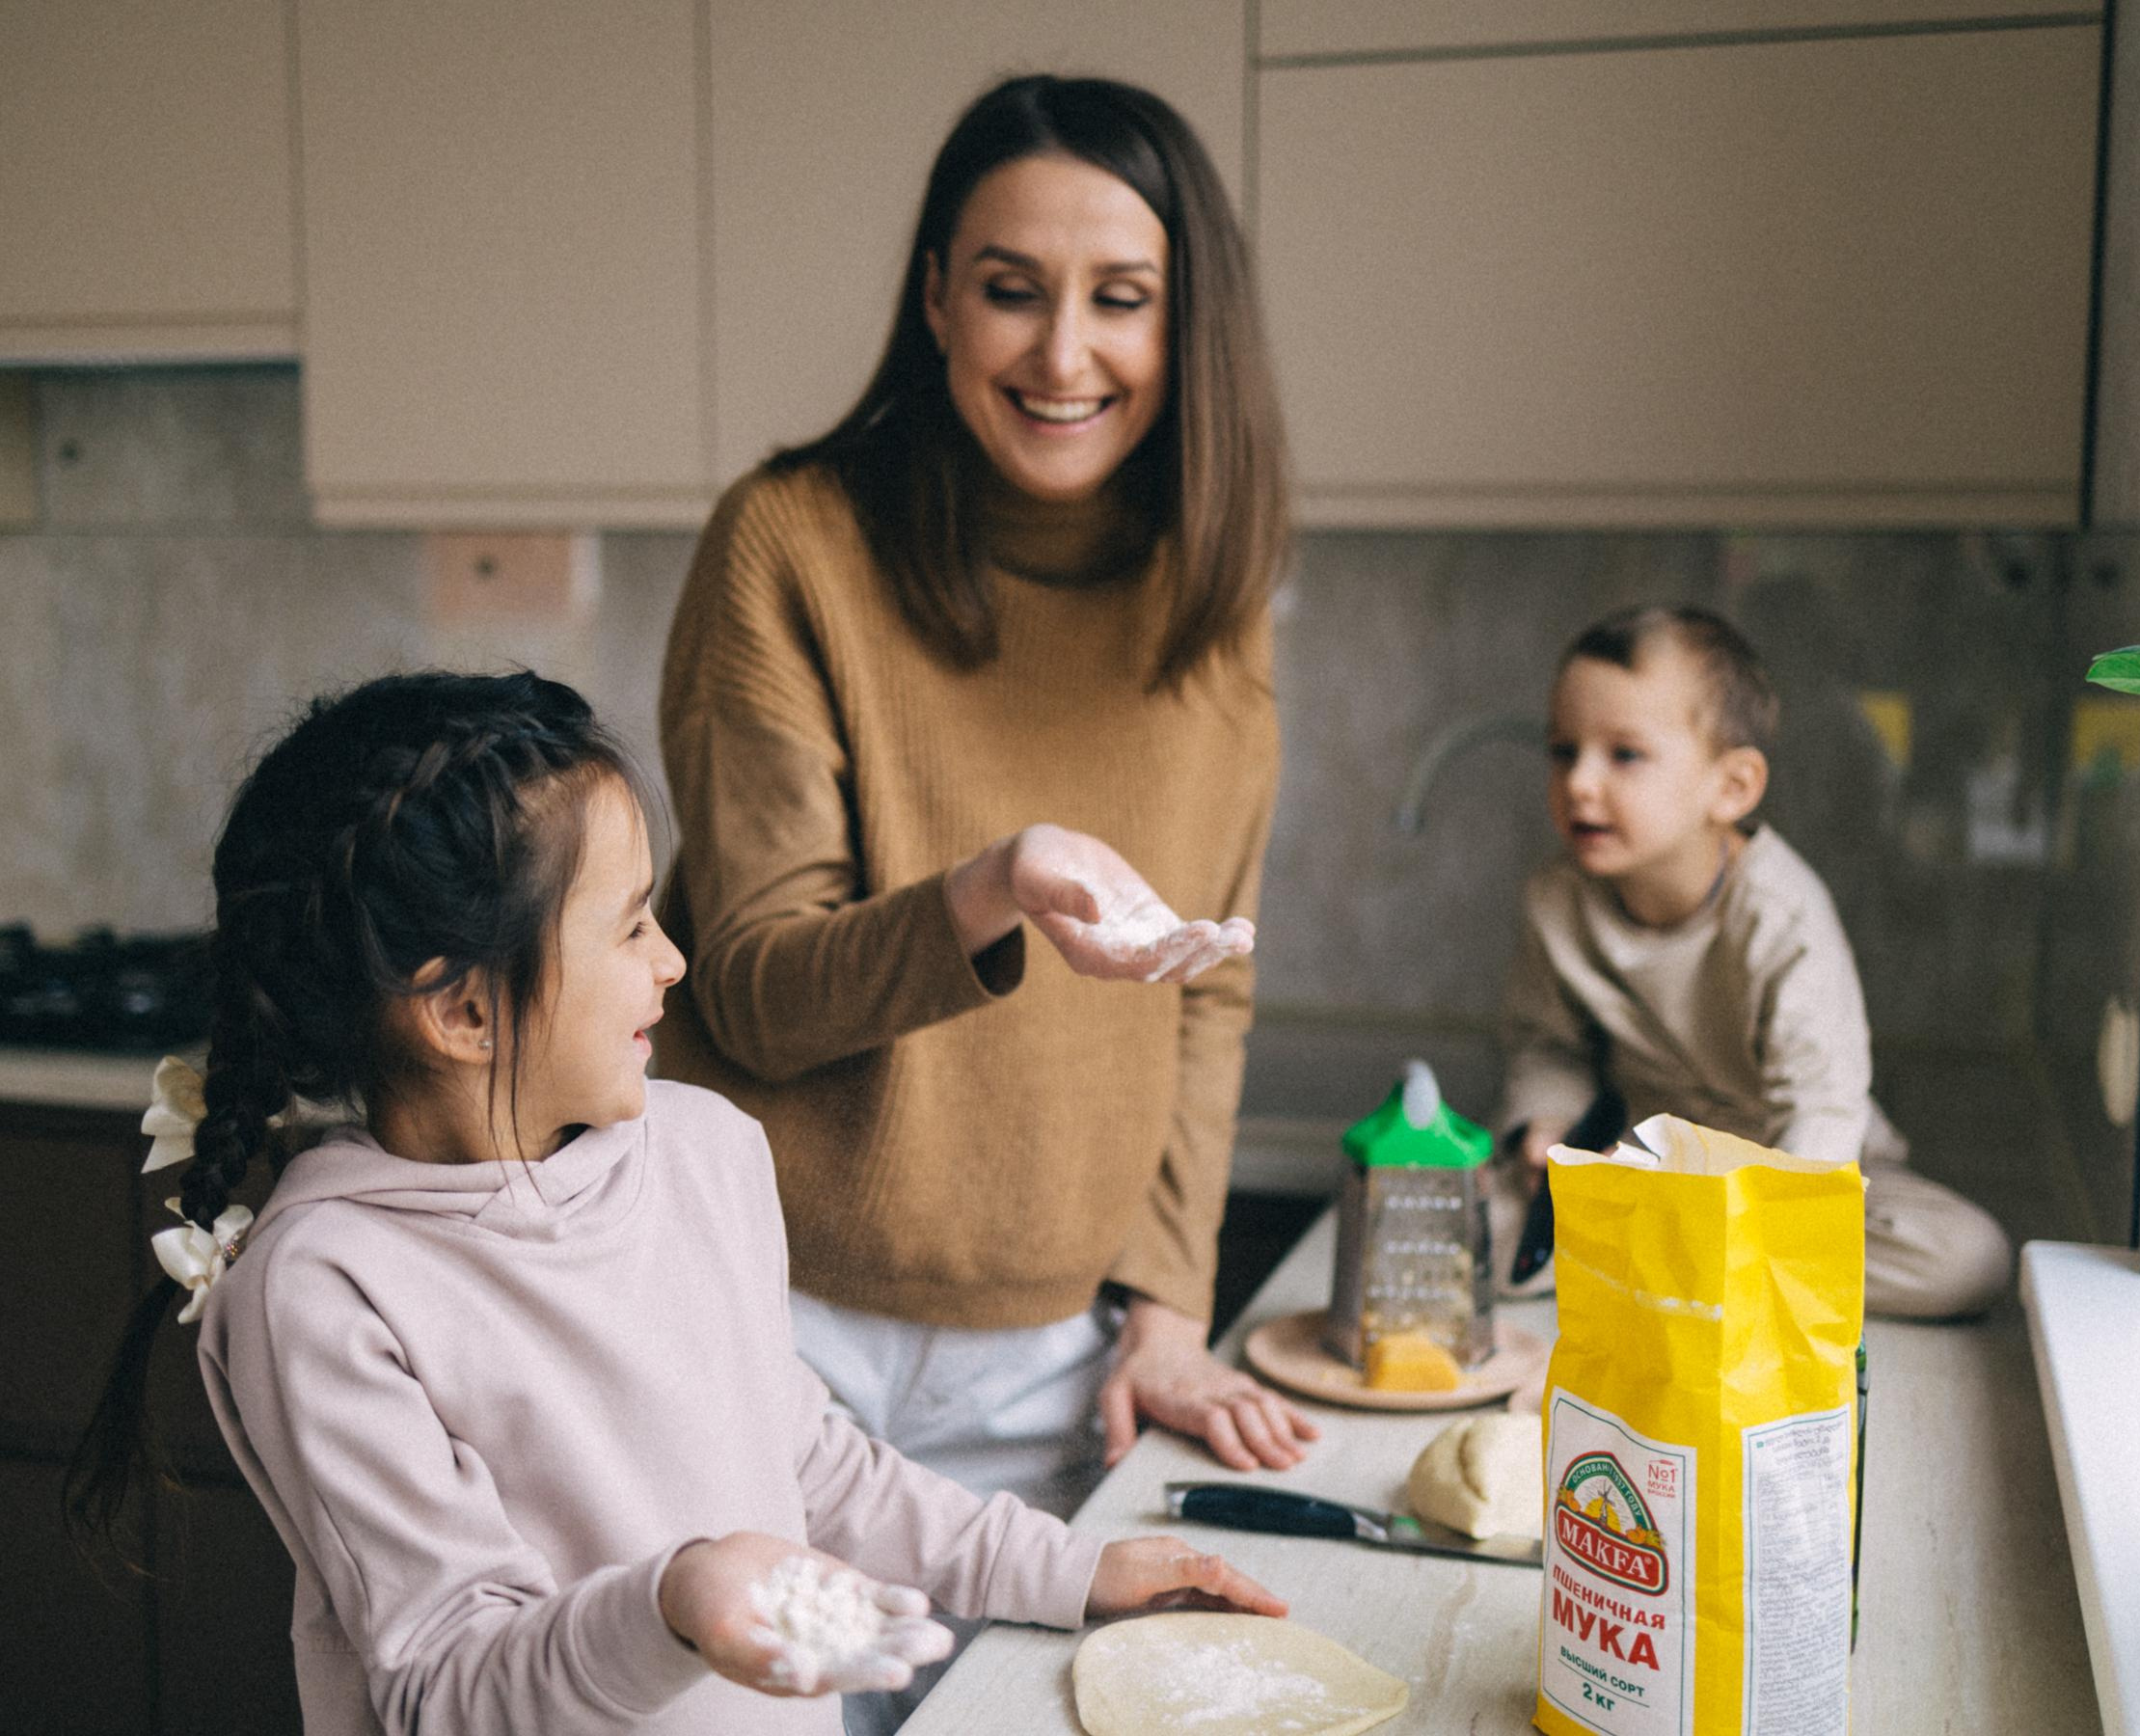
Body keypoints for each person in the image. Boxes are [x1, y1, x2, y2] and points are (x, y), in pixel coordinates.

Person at [66, 671, 1284, 1736]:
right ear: (464, 1012)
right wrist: (675, 1604)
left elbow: (815, 1464)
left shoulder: (705, 1150)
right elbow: (448, 1687)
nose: (674, 962)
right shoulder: (326, 1289)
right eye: (632, 924)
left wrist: (1077, 1573)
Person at [655, 70, 1316, 1537]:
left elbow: (1210, 993)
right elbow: (755, 991)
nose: (1064, 351)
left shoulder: (1215, 605)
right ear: (938, 298)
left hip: (1051, 1357)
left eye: (1122, 297)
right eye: (1013, 289)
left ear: (1185, 320)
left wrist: (1169, 1301)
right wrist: (985, 890)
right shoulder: (789, 543)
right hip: (767, 1316)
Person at [1489, 607, 2013, 1319]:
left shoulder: (1781, 915)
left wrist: (1767, 1220)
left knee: (1967, 1259)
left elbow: (1820, 1108)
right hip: (1645, 1167)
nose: (1580, 782)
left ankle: (1677, 1270)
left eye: (1624, 755)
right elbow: (1547, 1045)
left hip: (1789, 1168)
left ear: (1730, 787)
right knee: (1465, 1238)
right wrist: (1547, 1121)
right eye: (1562, 750)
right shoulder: (1557, 899)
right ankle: (1680, 1263)